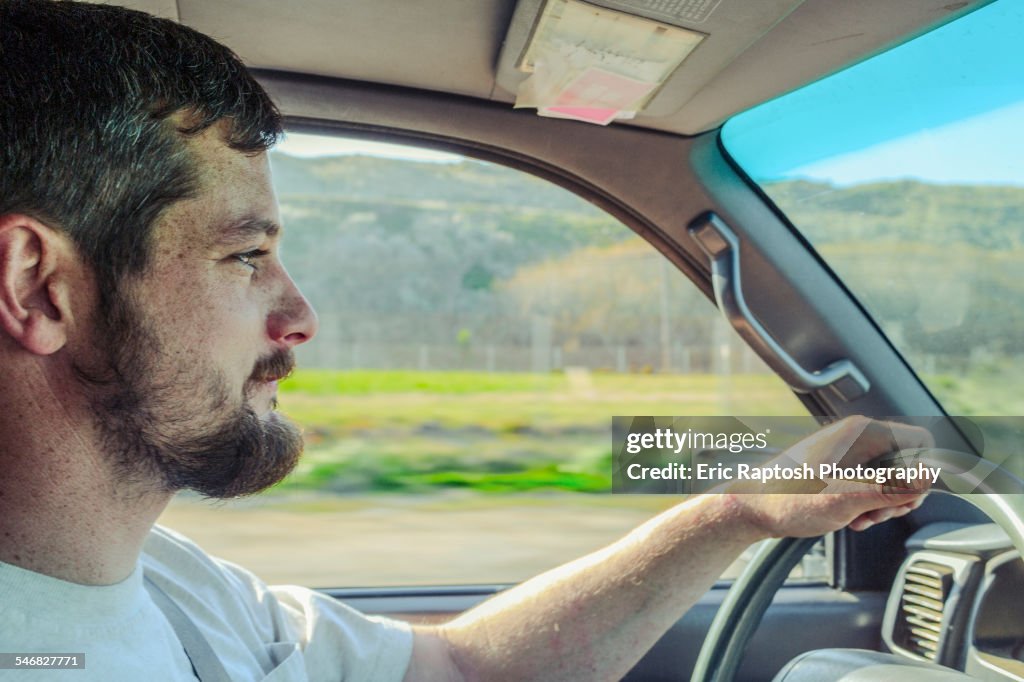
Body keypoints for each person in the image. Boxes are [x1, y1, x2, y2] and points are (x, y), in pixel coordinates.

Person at [0, 1, 929, 680]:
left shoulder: (171, 583)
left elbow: (461, 670)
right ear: (40, 287)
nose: (300, 317)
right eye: (245, 256)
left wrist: (736, 511)